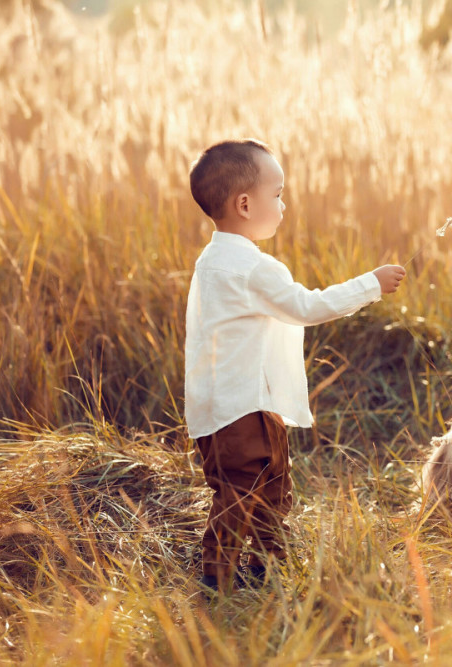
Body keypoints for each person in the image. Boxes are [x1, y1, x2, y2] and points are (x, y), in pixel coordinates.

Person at [185, 139, 406, 593]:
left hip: (236, 405)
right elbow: (307, 306)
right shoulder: (250, 268)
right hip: (240, 409)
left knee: (267, 487)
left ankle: (270, 567)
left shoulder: (213, 260)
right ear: (245, 204)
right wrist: (371, 284)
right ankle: (217, 578)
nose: (284, 205)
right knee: (244, 493)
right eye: (278, 194)